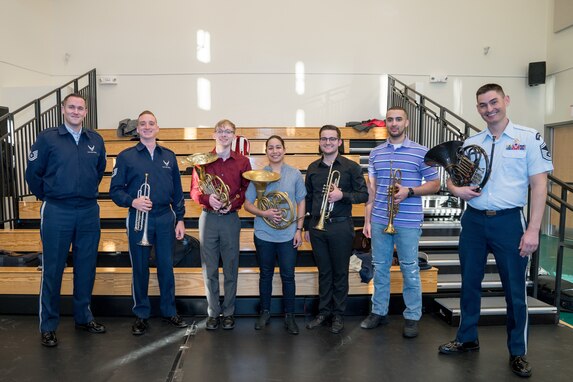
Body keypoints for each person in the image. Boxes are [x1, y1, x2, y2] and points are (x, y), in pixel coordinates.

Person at [438, 84, 553, 378]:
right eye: (483, 105)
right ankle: (467, 338)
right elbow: (453, 179)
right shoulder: (472, 141)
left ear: (506, 101)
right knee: (469, 285)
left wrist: (533, 230)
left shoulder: (528, 138)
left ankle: (517, 352)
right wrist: (457, 190)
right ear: (477, 109)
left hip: (509, 222)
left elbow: (540, 185)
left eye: (494, 102)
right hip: (474, 222)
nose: (489, 109)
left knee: (515, 291)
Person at [25, 93, 107, 347]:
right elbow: (33, 174)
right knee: (53, 269)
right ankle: (48, 325)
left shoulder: (95, 139)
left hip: (88, 210)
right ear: (63, 110)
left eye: (80, 108)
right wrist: (50, 195)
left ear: (85, 112)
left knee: (86, 267)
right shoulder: (48, 138)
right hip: (57, 210)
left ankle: (83, 317)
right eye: (71, 107)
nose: (75, 111)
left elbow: (99, 171)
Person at [361, 106, 440, 338]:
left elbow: (435, 184)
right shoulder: (375, 153)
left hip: (407, 220)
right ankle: (379, 312)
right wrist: (367, 219)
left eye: (398, 119)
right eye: (389, 120)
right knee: (380, 267)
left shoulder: (421, 152)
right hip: (379, 219)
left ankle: (412, 316)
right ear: (385, 123)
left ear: (406, 123)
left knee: (410, 268)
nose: (393, 123)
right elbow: (372, 190)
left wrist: (410, 191)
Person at [109, 110, 188, 335]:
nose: (146, 127)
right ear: (137, 128)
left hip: (165, 217)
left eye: (151, 123)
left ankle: (169, 310)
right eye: (142, 124)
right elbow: (114, 191)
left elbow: (178, 192)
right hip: (139, 218)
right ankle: (141, 314)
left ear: (157, 127)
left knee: (166, 267)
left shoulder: (169, 156)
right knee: (140, 269)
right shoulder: (125, 156)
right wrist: (132, 201)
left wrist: (180, 219)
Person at [304, 125, 368, 334]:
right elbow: (309, 198)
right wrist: (306, 226)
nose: (328, 142)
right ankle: (323, 312)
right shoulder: (313, 168)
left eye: (332, 139)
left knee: (340, 272)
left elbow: (363, 195)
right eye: (324, 139)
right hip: (317, 227)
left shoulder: (351, 167)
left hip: (341, 225)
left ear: (340, 142)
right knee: (324, 272)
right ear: (319, 142)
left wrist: (343, 196)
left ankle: (338, 314)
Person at [190, 119, 251, 330]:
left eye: (228, 132)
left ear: (234, 136)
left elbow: (246, 190)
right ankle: (213, 312)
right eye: (220, 131)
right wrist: (209, 200)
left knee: (231, 266)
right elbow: (195, 191)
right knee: (209, 268)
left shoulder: (243, 161)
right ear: (214, 134)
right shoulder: (202, 160)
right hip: (208, 217)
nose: (224, 135)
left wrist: (232, 203)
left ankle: (229, 312)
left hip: (230, 218)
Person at [244, 135, 306, 334]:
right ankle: (265, 312)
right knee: (266, 275)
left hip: (288, 235)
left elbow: (301, 202)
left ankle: (290, 316)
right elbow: (247, 204)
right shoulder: (258, 175)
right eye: (270, 148)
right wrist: (264, 213)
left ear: (284, 149)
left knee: (288, 276)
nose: (275, 151)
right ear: (266, 151)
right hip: (264, 233)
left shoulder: (294, 174)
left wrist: (299, 229)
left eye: (278, 147)